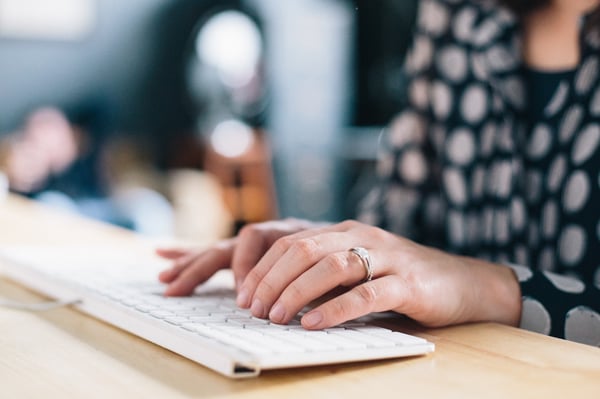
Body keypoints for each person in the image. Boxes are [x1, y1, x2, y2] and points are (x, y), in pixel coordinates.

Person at [157, 0, 600, 346]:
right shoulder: (458, 13)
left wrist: (489, 287)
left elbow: (445, 272)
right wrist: (329, 254)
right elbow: (401, 228)